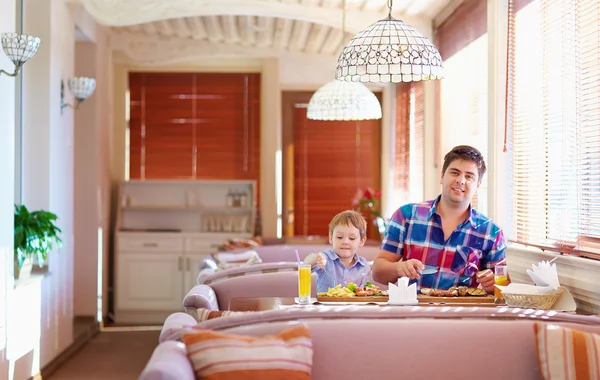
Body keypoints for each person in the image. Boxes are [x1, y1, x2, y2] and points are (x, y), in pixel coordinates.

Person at [372, 145, 506, 293]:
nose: (461, 180)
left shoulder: (491, 232)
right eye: (454, 173)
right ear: (442, 176)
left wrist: (492, 284)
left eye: (469, 176)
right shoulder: (406, 216)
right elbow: (378, 273)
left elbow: (503, 287)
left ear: (478, 184)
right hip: (412, 311)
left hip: (461, 313)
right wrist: (399, 268)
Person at [304, 210, 372, 293]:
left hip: (354, 305)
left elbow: (365, 293)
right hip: (326, 305)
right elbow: (306, 264)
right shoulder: (325, 258)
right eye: (339, 237)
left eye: (352, 238)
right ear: (330, 238)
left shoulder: (364, 266)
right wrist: (315, 259)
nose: (345, 242)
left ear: (361, 241)